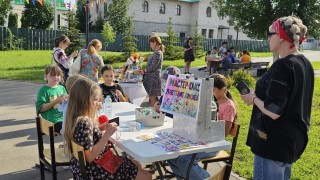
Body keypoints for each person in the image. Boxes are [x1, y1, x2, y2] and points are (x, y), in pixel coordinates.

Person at [241, 16, 314, 180]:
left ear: (281, 36)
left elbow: (274, 110)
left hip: (272, 143)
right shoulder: (304, 63)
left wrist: (253, 99)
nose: (268, 37)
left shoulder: (283, 66)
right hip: (291, 141)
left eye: (270, 33)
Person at [64, 78, 152, 180]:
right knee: (147, 176)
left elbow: (85, 142)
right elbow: (90, 156)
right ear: (84, 100)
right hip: (95, 171)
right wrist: (107, 135)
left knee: (136, 164)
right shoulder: (84, 123)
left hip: (85, 168)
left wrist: (98, 130)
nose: (98, 103)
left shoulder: (75, 118)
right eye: (95, 100)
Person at [168, 74, 237, 180]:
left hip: (213, 144)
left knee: (185, 160)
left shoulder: (228, 106)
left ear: (223, 90)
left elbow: (224, 133)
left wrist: (207, 125)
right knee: (172, 155)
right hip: (200, 138)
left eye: (212, 90)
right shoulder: (207, 100)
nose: (209, 93)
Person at [36, 64, 67, 134]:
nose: (55, 77)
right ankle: (67, 144)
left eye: (58, 75)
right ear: (46, 76)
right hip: (51, 121)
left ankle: (68, 144)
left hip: (64, 118)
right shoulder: (43, 90)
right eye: (52, 75)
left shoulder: (62, 88)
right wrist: (56, 101)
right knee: (67, 129)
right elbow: (40, 108)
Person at [139, 35, 164, 107]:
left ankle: (155, 114)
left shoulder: (158, 53)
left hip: (153, 79)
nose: (150, 45)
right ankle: (155, 113)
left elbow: (153, 66)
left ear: (155, 43)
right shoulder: (156, 52)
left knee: (153, 98)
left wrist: (145, 71)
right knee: (152, 98)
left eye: (151, 43)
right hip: (151, 78)